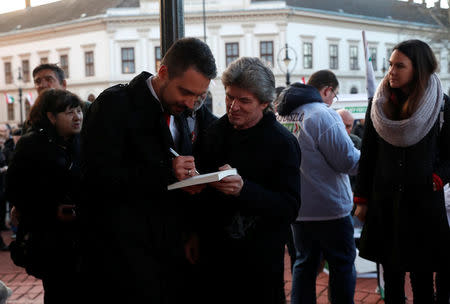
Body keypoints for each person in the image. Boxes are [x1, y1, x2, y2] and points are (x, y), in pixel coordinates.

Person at [79, 37, 217, 303]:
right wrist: (166, 171)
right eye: (185, 92)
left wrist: (191, 227)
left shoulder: (179, 109)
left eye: (198, 96)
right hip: (124, 258)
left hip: (171, 252)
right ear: (163, 72)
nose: (190, 104)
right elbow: (95, 178)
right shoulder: (114, 104)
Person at [195, 57, 301, 304]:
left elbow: (290, 208)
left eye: (244, 101)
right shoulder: (213, 133)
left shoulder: (283, 143)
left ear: (264, 103)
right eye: (230, 97)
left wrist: (244, 190)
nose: (233, 106)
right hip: (214, 258)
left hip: (259, 264)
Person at [354, 39, 450, 304]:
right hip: (386, 204)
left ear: (417, 69)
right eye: (390, 65)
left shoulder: (440, 104)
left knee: (422, 278)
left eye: (399, 66)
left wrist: (437, 178)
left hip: (423, 204)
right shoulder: (379, 103)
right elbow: (369, 155)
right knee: (392, 278)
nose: (391, 71)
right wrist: (361, 199)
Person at [276, 70, 360, 304]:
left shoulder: (284, 114)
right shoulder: (322, 114)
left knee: (304, 262)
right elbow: (347, 161)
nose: (333, 100)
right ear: (326, 90)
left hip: (299, 207)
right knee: (342, 264)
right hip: (330, 206)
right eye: (334, 95)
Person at [5, 89, 83, 304]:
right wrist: (50, 210)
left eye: (78, 111)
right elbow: (15, 189)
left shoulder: (80, 142)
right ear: (51, 116)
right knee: (59, 292)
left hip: (82, 235)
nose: (77, 117)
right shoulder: (32, 144)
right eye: (69, 112)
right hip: (50, 238)